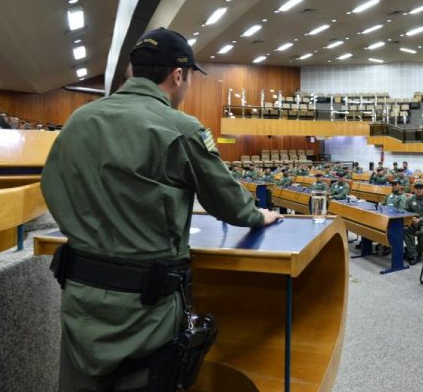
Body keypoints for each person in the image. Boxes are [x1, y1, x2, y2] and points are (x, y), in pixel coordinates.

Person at [40, 27, 281, 391]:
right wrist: (258, 215)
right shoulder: (180, 128)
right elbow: (229, 204)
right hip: (144, 306)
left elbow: (51, 186)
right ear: (178, 75)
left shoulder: (79, 119)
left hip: (80, 292)